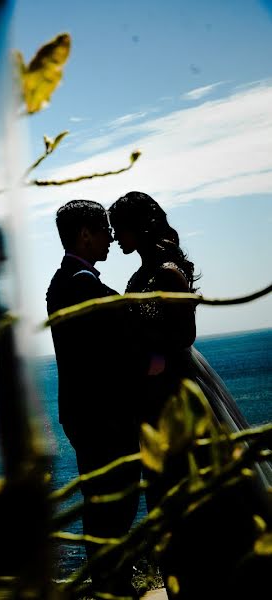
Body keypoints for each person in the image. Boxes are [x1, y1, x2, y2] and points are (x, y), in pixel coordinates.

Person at [108, 190, 272, 599]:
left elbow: (185, 334)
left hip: (178, 388)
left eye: (119, 227)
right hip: (152, 393)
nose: (115, 237)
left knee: (200, 477)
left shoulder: (167, 272)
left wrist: (147, 348)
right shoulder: (137, 276)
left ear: (139, 227)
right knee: (167, 486)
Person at [46, 199, 141, 598]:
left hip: (86, 414)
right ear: (85, 234)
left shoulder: (62, 281)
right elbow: (114, 348)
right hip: (102, 417)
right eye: (105, 229)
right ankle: (113, 587)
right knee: (113, 507)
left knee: (103, 505)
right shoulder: (81, 286)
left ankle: (112, 583)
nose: (111, 237)